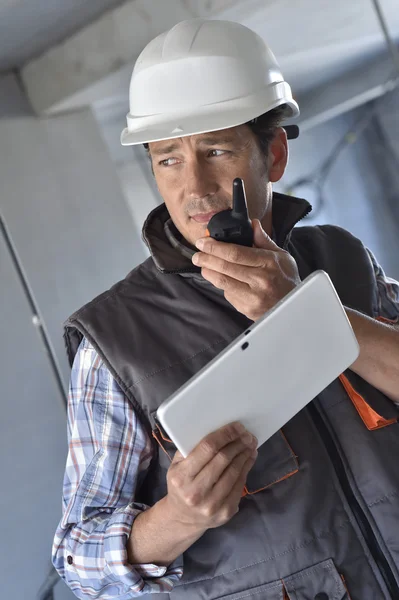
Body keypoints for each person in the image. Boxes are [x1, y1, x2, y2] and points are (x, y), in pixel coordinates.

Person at [52, 18, 399, 600]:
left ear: (275, 153)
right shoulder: (115, 339)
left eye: (216, 149)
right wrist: (180, 517)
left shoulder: (341, 258)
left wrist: (303, 309)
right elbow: (77, 557)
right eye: (168, 159)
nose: (196, 187)